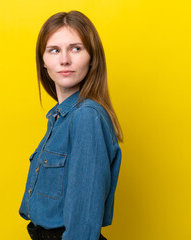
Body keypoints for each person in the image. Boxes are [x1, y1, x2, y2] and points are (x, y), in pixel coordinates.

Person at [19, 10, 123, 240]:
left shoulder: (86, 117)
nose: (64, 59)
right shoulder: (58, 118)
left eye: (76, 48)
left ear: (92, 58)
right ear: (43, 61)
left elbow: (84, 221)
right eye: (54, 50)